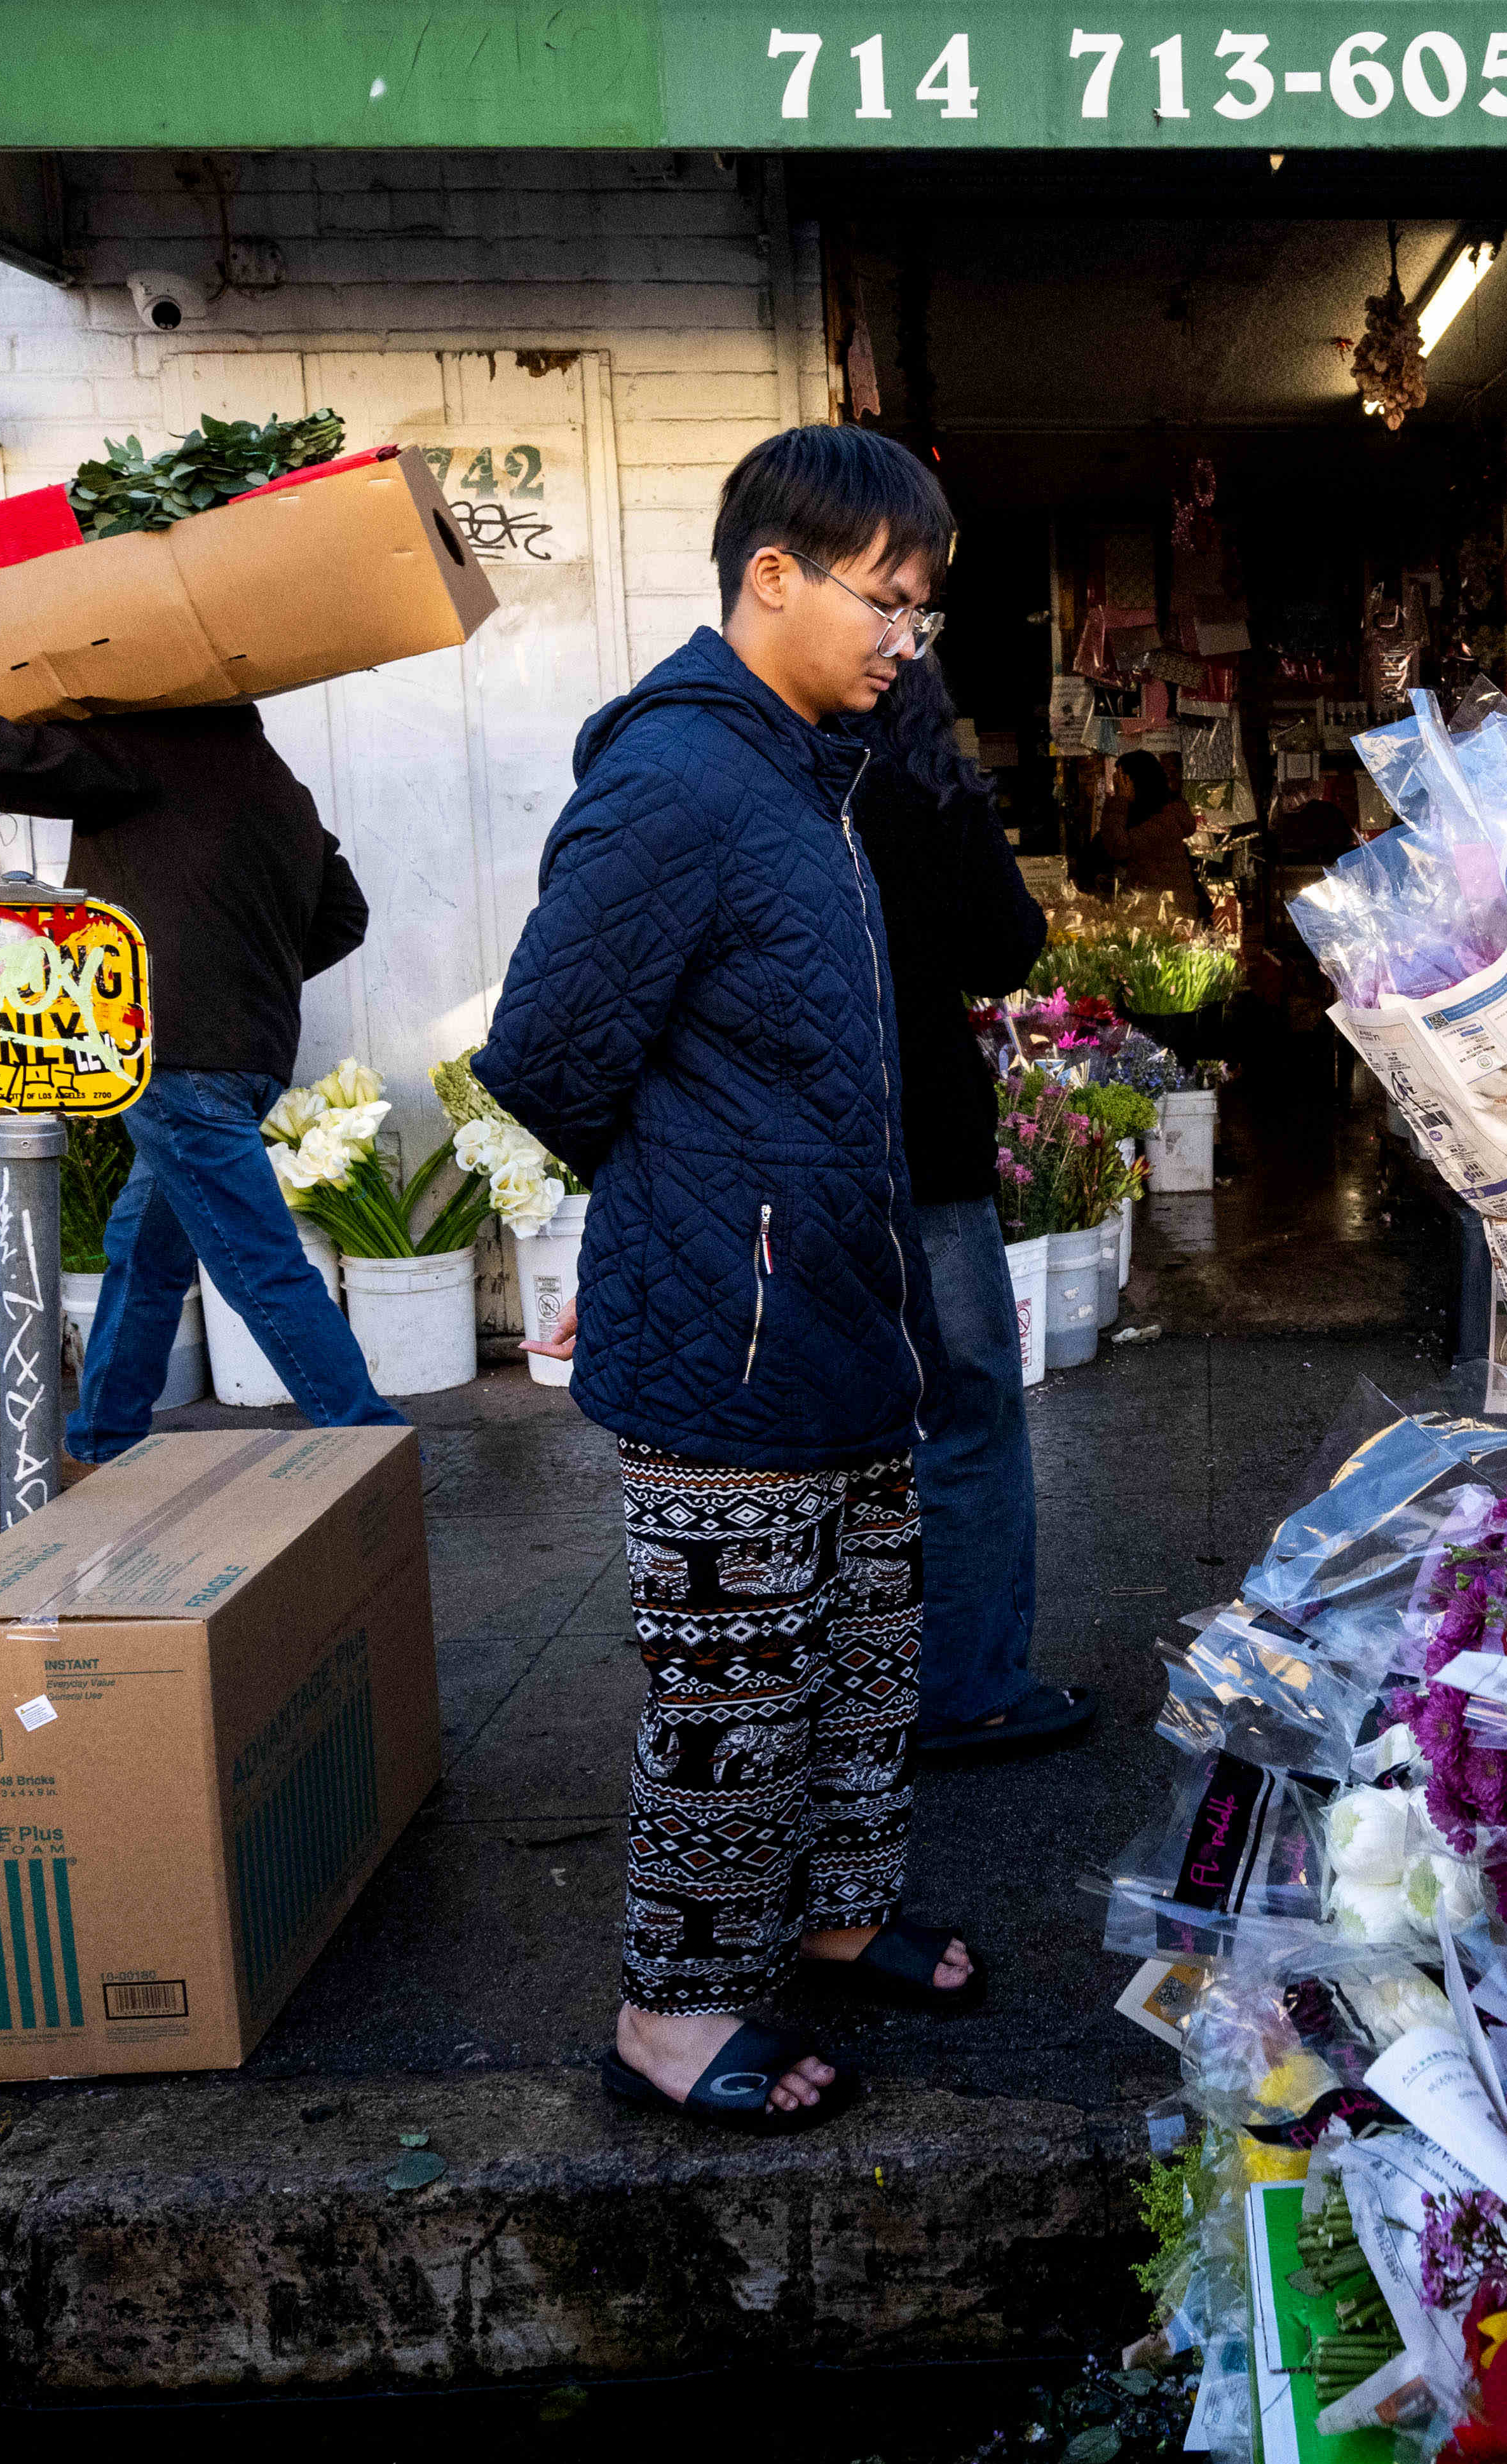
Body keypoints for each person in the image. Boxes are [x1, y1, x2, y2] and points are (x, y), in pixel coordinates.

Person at [477, 424, 984, 2133]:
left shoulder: (802, 768)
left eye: (925, 606)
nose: (907, 636)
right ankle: (673, 2010)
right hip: (731, 1324)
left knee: (857, 1652)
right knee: (735, 1686)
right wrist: (701, 1200)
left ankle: (834, 1912)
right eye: (886, 599)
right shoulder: (681, 776)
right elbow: (546, 1049)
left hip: (842, 1314)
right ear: (773, 573)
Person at [0, 632, 405, 1468]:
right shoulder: (278, 787)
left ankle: (373, 1446)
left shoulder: (145, 747)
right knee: (145, 1255)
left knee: (258, 1263)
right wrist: (240, 980)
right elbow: (344, 916)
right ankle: (101, 1445)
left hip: (175, 1059)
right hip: (243, 1060)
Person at [849, 648, 1093, 1762]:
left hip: (796, 1149)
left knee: (840, 1423)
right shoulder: (914, 783)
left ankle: (855, 1677)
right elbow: (1008, 944)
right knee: (967, 1407)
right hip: (924, 1140)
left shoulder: (778, 773)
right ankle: (966, 1684)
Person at [1103, 751, 1206, 922]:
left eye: (1121, 780)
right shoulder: (1140, 812)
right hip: (1153, 906)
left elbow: (1119, 847)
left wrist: (1120, 801)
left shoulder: (1166, 817)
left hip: (1167, 911)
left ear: (1137, 780)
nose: (1117, 786)